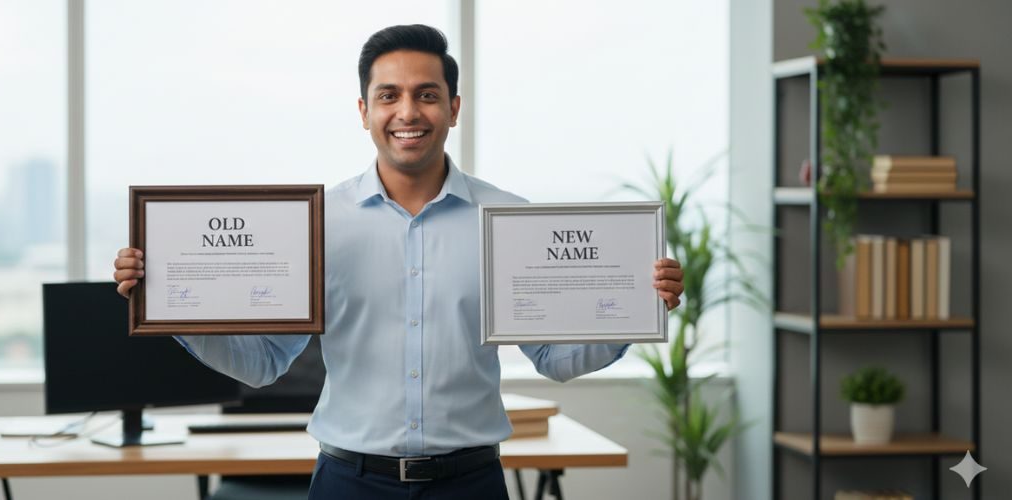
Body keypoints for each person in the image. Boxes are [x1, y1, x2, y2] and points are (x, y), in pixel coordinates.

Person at [113, 24, 684, 500]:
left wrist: (633, 310)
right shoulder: (315, 225)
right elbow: (262, 362)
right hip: (348, 483)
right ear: (364, 111)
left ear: (453, 108)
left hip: (471, 483)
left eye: (427, 94)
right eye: (388, 95)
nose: (407, 111)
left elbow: (556, 359)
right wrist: (170, 305)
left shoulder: (507, 221)